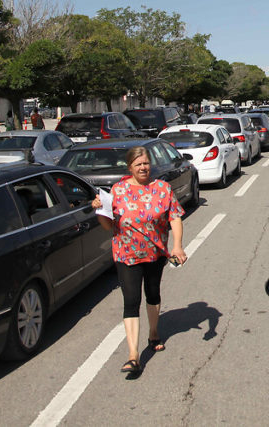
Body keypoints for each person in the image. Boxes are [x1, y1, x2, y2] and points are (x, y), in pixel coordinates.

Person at [91, 146, 187, 377]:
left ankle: (153, 333)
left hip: (155, 253)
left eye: (146, 163)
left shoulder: (162, 188)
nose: (143, 168)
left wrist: (177, 245)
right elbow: (108, 226)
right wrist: (100, 212)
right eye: (138, 165)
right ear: (130, 167)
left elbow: (174, 217)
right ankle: (133, 355)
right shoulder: (118, 190)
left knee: (152, 293)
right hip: (126, 254)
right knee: (131, 300)